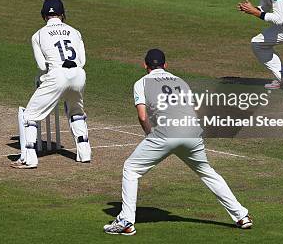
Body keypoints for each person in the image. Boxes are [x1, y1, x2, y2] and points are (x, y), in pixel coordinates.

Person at [103, 49, 252, 235]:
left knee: (131, 169)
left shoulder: (141, 83)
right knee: (207, 172)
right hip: (192, 132)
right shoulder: (180, 81)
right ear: (165, 65)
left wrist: (151, 135)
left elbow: (142, 116)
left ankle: (126, 220)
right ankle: (241, 215)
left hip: (165, 133)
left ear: (145, 65)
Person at [11, 0, 91, 169]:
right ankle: (84, 153)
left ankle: (29, 158)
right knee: (76, 111)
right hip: (79, 74)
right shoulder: (75, 32)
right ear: (62, 14)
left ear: (43, 15)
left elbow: (41, 66)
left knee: (29, 116)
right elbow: (82, 61)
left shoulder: (38, 34)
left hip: (57, 75)